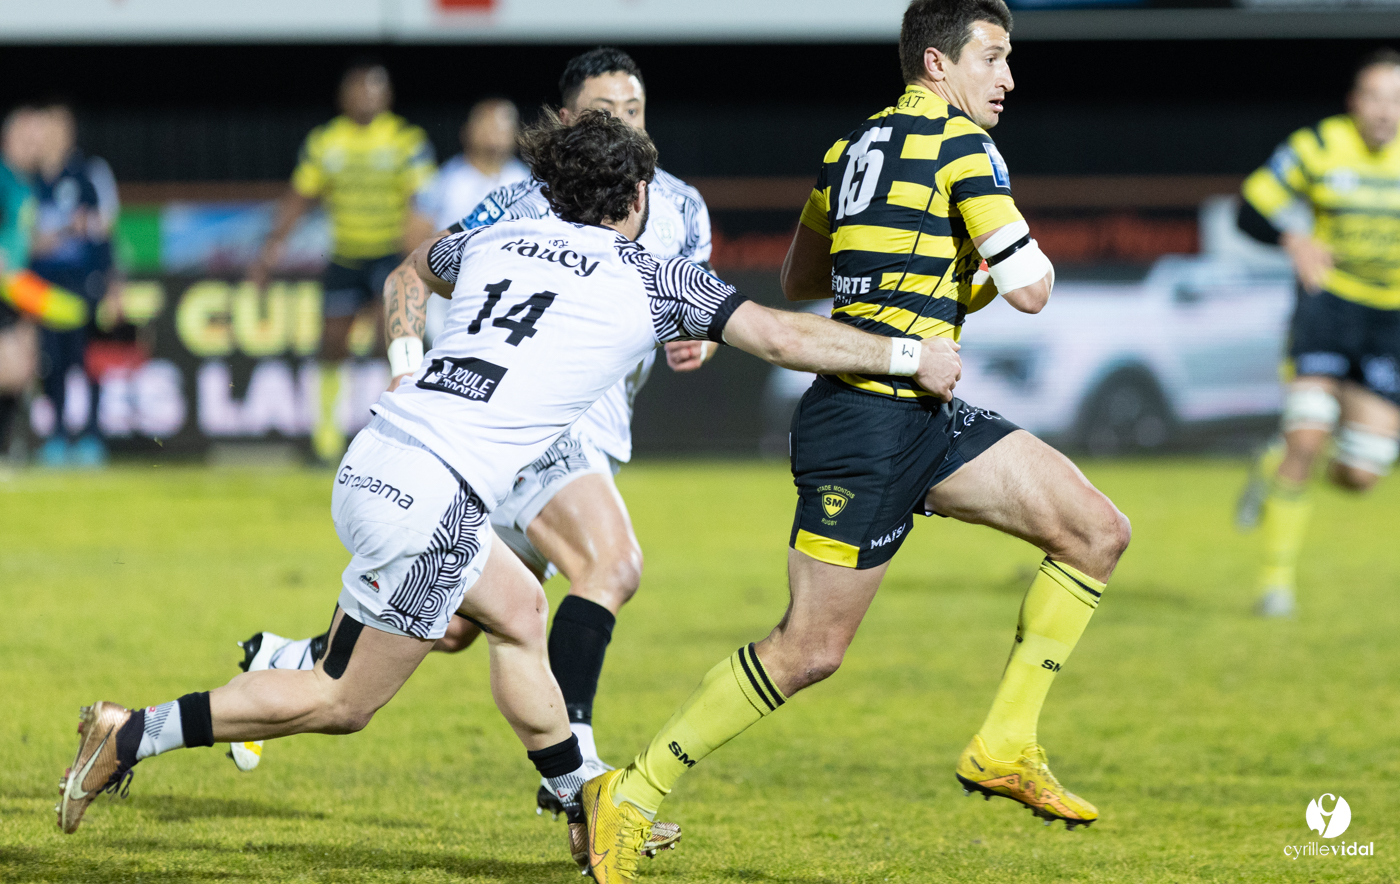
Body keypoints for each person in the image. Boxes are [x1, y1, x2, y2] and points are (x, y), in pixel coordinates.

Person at [57, 111, 963, 871]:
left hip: (385, 453)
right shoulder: (651, 277)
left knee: (522, 610)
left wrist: (410, 360)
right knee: (341, 699)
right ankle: (132, 732)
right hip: (434, 497)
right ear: (638, 199)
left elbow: (413, 270)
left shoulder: (494, 235)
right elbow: (776, 333)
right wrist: (907, 354)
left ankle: (585, 800)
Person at [579, 0, 1133, 882]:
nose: (1009, 78)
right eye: (992, 58)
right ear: (938, 62)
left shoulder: (849, 148)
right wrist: (985, 265)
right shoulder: (964, 146)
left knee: (1095, 529)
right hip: (864, 421)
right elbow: (1031, 288)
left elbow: (801, 273)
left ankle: (1006, 740)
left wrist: (921, 272)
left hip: (924, 414)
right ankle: (631, 793)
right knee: (809, 650)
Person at [235, 51, 717, 815]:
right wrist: (405, 362)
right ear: (566, 122)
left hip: (596, 430)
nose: (622, 120)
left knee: (452, 624)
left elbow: (700, 309)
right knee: (611, 563)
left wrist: (703, 341)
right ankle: (577, 773)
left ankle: (291, 658)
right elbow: (417, 269)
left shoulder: (685, 207)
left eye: (634, 107)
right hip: (529, 427)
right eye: (603, 110)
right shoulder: (523, 202)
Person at [1234, 49, 1400, 617]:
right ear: (1355, 103)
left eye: (1396, 99)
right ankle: (1275, 585)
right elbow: (1250, 209)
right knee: (1308, 436)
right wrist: (1294, 239)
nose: (1385, 110)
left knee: (1360, 474)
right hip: (1328, 307)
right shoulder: (1319, 147)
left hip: (1390, 323)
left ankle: (1270, 466)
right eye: (1375, 97)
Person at [249, 61, 437, 465]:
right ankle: (326, 436)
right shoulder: (326, 141)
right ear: (344, 96)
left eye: (374, 88)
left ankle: (411, 429)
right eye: (359, 88)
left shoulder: (406, 140)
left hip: (392, 257)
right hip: (345, 255)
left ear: (387, 96)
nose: (366, 96)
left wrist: (417, 257)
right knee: (332, 344)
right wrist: (270, 250)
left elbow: (421, 204)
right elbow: (300, 197)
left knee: (399, 341)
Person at [25, 103, 113, 467]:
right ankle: (57, 433)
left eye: (59, 128)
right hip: (42, 287)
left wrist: (111, 280)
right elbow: (25, 236)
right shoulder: (27, 180)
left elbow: (105, 226)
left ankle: (92, 434)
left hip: (83, 282)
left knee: (87, 358)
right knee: (52, 362)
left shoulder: (89, 173)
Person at [416, 98, 531, 343]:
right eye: (486, 125)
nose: (494, 133)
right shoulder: (444, 179)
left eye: (502, 126)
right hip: (449, 293)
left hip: (508, 294)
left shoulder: (527, 183)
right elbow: (414, 234)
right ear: (467, 131)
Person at [0, 107, 38, 461]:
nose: (35, 147)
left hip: (19, 289)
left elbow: (23, 237)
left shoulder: (24, 182)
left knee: (22, 369)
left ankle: (8, 448)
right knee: (10, 370)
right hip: (2, 287)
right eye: (28, 139)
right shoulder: (2, 177)